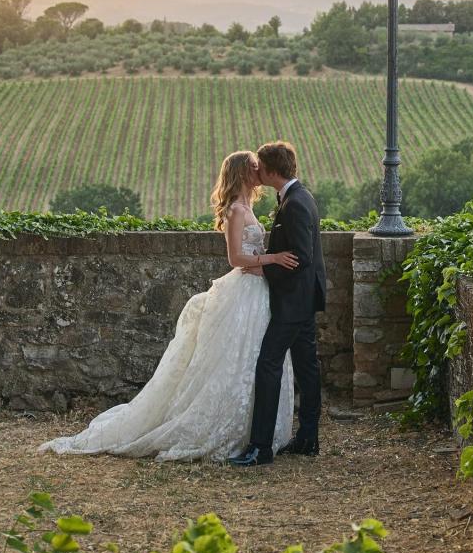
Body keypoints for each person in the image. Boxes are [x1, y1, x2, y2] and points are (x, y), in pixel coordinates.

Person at [37, 151, 298, 461]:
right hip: (243, 292)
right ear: (242, 172)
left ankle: (253, 429)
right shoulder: (236, 210)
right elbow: (235, 259)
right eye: (254, 167)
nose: (259, 171)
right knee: (232, 360)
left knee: (253, 358)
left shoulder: (249, 207)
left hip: (257, 292)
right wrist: (272, 258)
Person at [229, 140, 326, 467]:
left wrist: (265, 267)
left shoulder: (294, 203)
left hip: (293, 302)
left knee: (268, 365)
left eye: (259, 167)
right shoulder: (300, 196)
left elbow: (300, 257)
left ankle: (260, 448)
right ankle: (308, 438)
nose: (256, 172)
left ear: (271, 171)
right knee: (307, 367)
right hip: (304, 298)